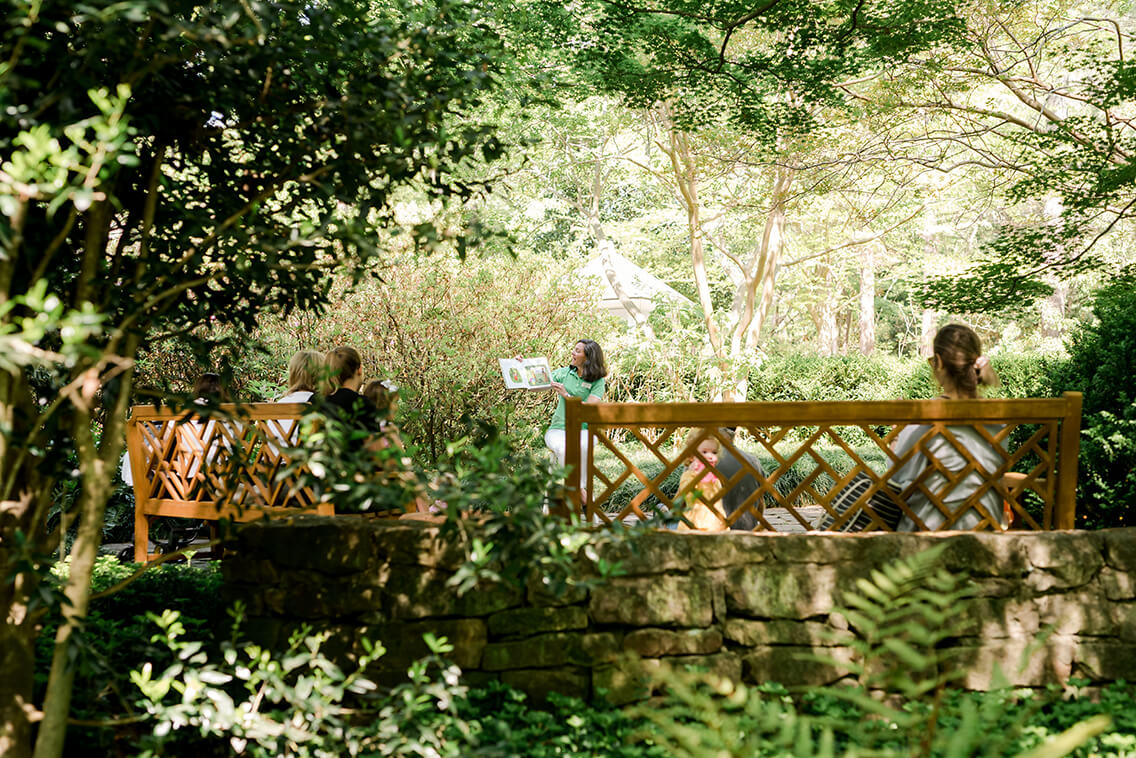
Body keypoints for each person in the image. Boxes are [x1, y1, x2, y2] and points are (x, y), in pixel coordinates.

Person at [893, 324, 1005, 531]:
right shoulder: (999, 418)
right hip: (986, 527)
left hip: (929, 530)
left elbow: (898, 476)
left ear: (940, 362)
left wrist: (898, 432)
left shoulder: (925, 418)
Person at [542, 339, 607, 490]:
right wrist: (521, 365)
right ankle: (582, 494)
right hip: (558, 429)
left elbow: (588, 409)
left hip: (584, 430)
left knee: (583, 447)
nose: (573, 353)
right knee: (564, 449)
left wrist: (567, 395)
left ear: (588, 358)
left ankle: (577, 492)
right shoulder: (565, 373)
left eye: (578, 351)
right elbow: (539, 380)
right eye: (574, 349)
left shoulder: (597, 381)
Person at [675, 430, 727, 532]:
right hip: (694, 523)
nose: (710, 456)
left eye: (714, 452)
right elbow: (686, 492)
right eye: (704, 452)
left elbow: (718, 501)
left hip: (715, 523)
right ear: (691, 456)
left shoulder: (715, 478)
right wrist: (694, 475)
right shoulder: (689, 475)